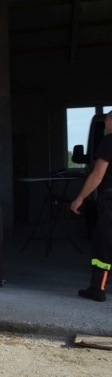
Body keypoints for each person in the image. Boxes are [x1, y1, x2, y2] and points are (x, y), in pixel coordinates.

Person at [70, 110, 112, 302]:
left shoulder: (109, 141)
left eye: (105, 123)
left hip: (109, 200)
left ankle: (98, 289)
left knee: (103, 244)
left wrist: (80, 198)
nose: (105, 127)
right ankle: (97, 287)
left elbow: (97, 175)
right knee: (100, 241)